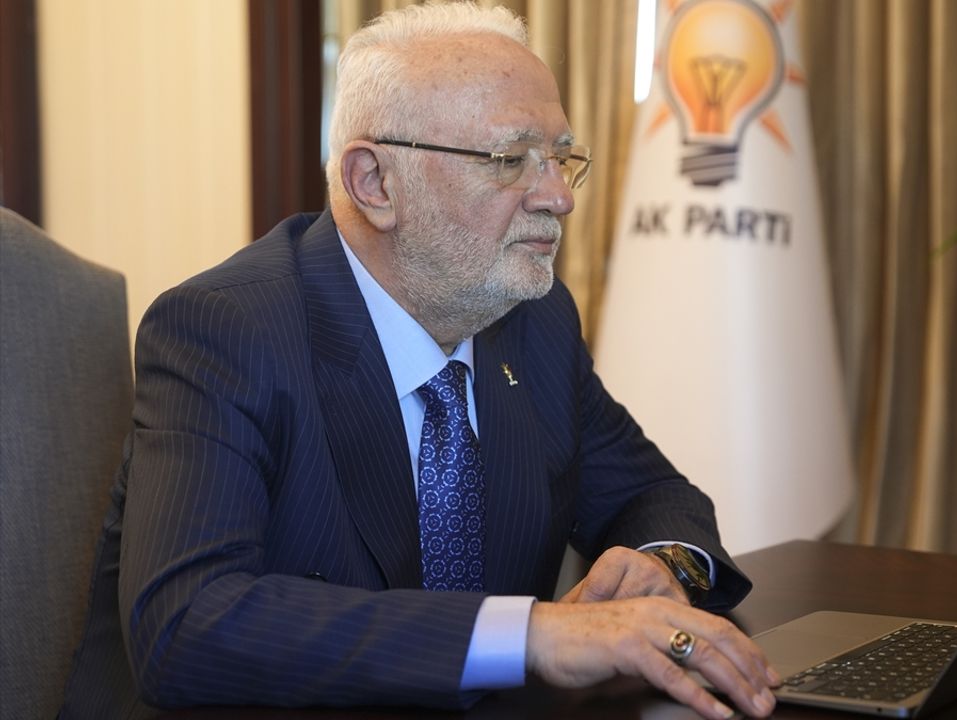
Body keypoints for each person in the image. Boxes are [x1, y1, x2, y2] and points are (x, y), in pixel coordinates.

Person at [59, 3, 780, 719]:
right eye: (510, 160)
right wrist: (531, 634)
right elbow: (187, 623)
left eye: (560, 157)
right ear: (374, 183)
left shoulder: (533, 319)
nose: (559, 196)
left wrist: (661, 566)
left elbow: (655, 496)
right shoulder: (226, 330)